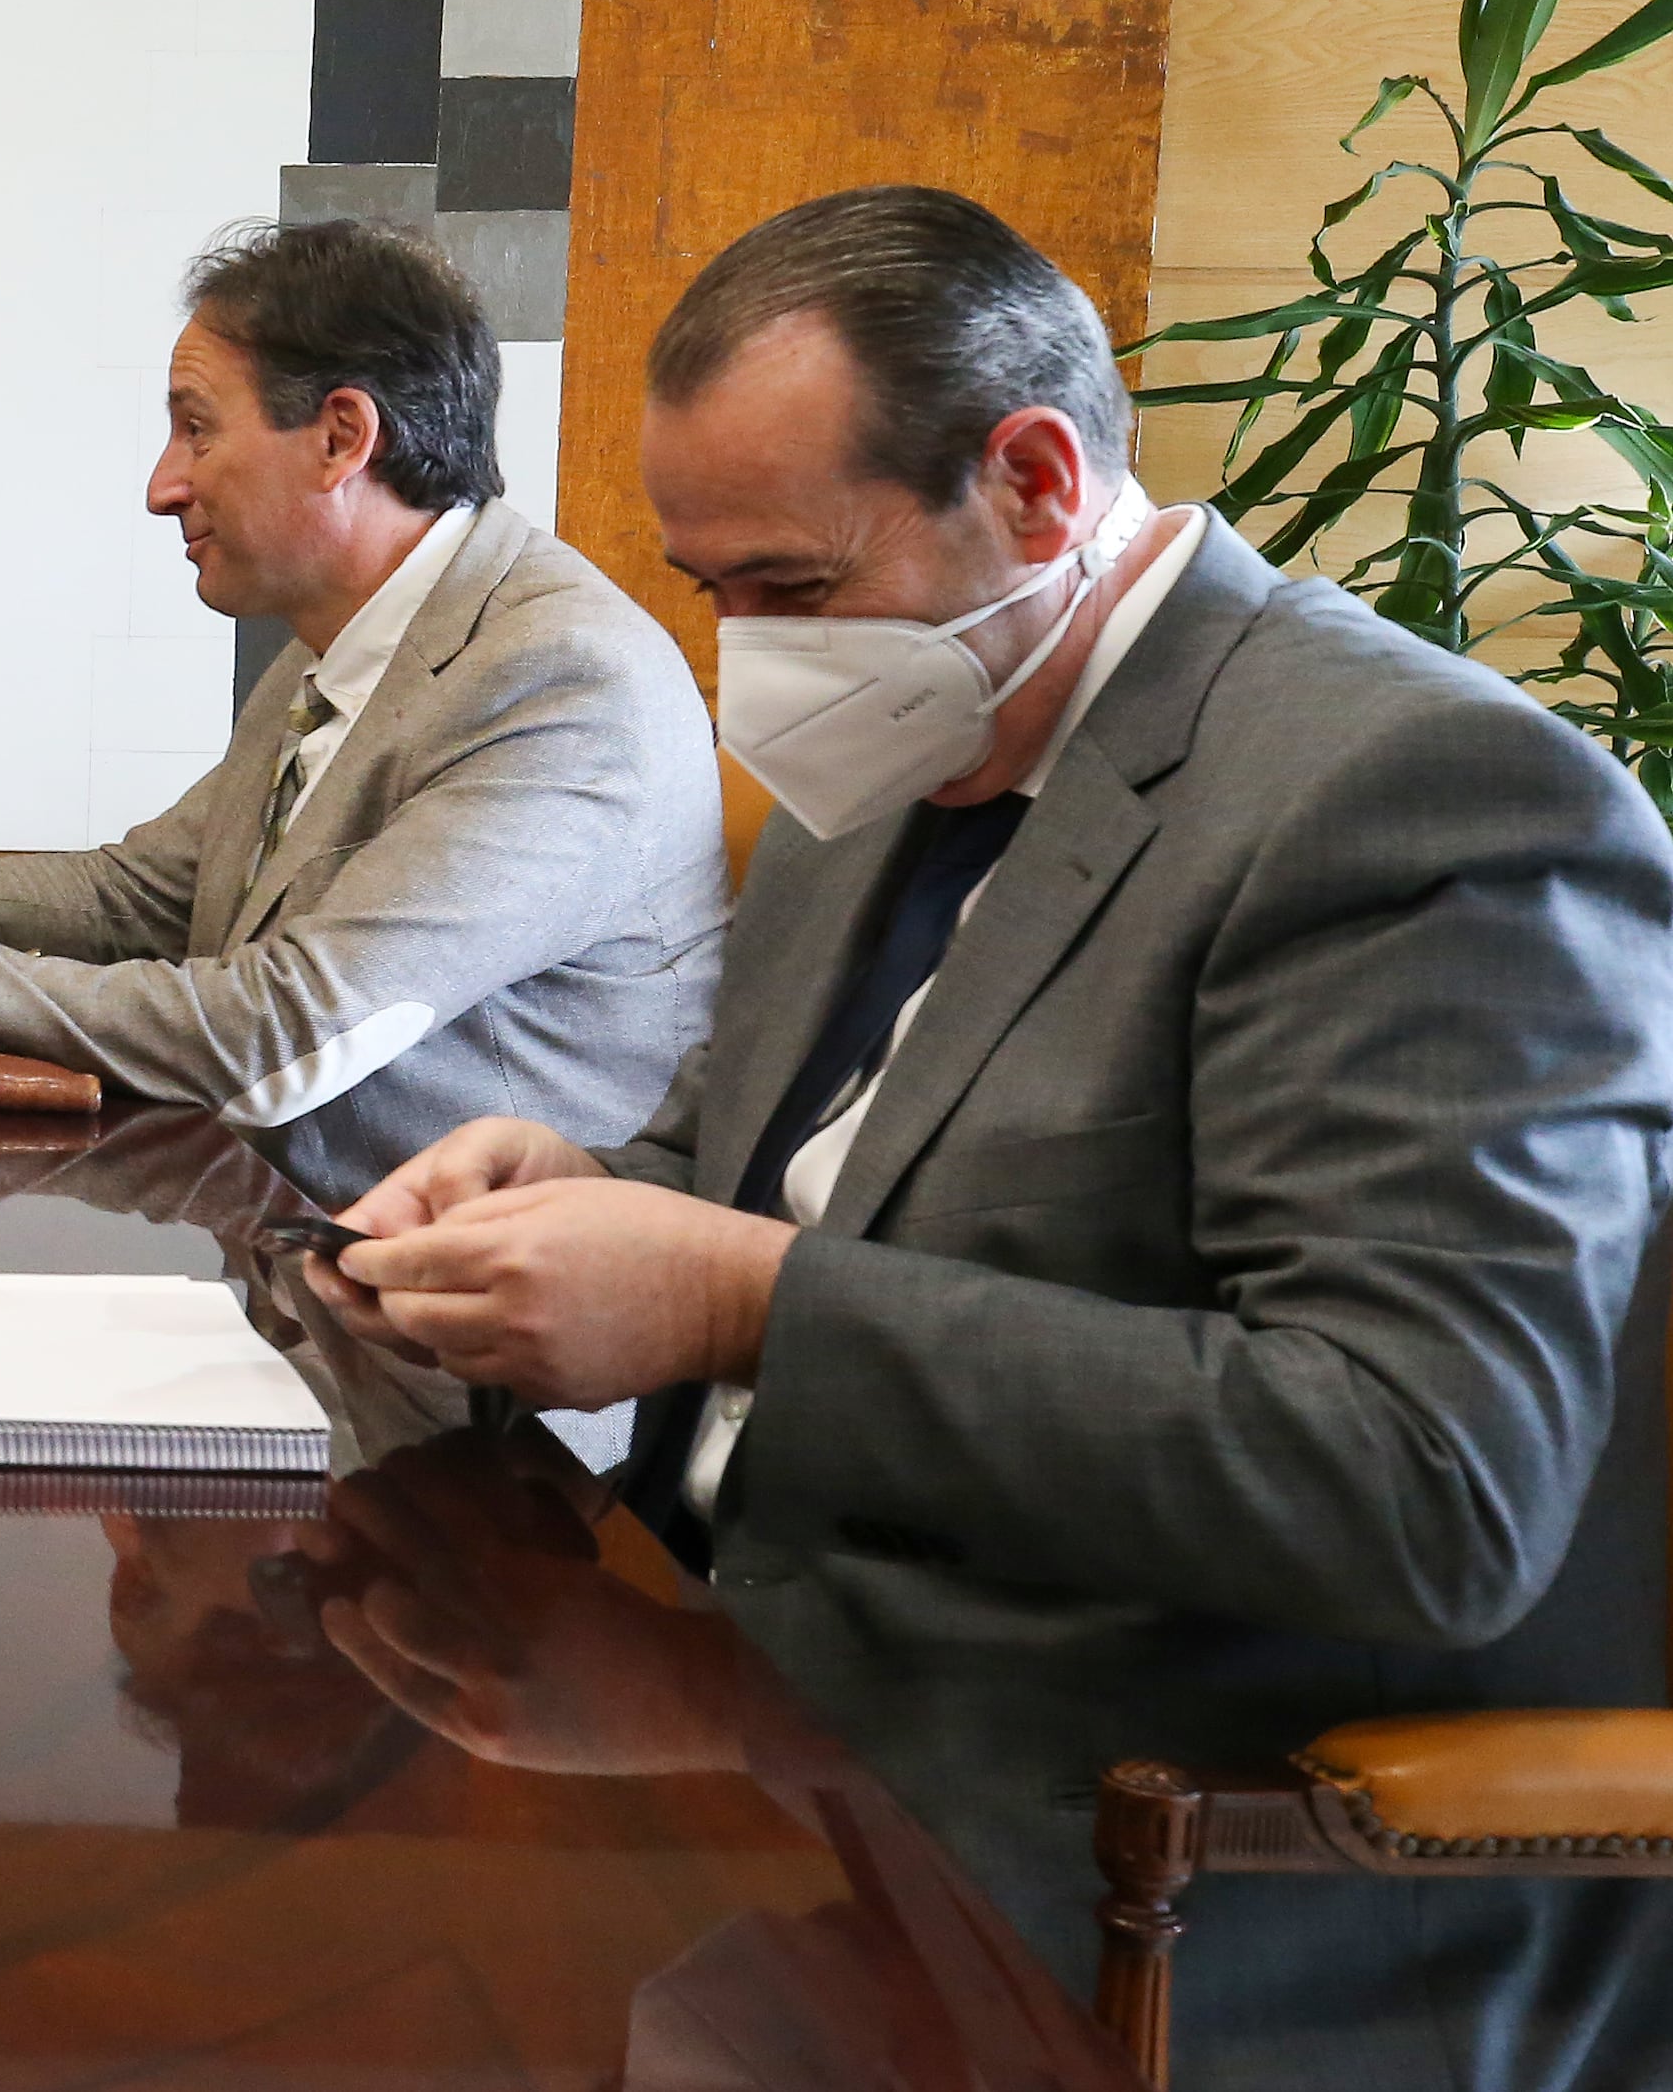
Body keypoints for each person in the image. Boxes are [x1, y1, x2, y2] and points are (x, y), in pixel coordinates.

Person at [319, 184, 1671, 1738]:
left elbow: (1429, 1485)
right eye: (718, 595)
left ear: (1035, 482)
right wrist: (575, 1183)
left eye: (796, 587)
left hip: (1071, 1806)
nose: (752, 658)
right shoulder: (910, 730)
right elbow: (808, 1170)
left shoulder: (1413, 795)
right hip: (697, 1650)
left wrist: (749, 1305)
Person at [0, 220, 723, 1186]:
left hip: (473, 1357)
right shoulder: (349, 643)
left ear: (342, 437)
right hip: (272, 1247)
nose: (162, 484)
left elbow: (283, 1032)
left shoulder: (561, 676)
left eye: (195, 428)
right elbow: (136, 900)